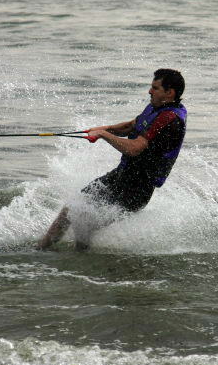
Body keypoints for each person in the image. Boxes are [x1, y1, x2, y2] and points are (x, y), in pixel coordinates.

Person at [38, 68, 187, 250]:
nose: (150, 91)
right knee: (70, 209)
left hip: (137, 189)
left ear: (170, 92)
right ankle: (41, 250)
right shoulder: (156, 108)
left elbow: (134, 148)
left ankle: (80, 262)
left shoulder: (169, 118)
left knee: (84, 222)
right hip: (121, 176)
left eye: (155, 88)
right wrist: (100, 129)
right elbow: (131, 126)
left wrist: (102, 134)